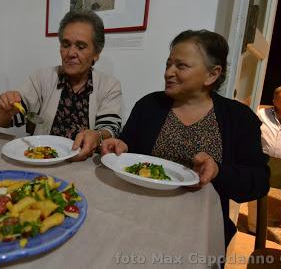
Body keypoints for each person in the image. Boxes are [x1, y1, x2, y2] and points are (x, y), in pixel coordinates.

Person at [101, 29, 270, 248]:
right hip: (141, 216)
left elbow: (258, 182)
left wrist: (218, 171)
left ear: (212, 74)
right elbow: (128, 148)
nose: (169, 72)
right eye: (168, 64)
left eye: (181, 66)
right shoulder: (149, 106)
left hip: (200, 227)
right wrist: (120, 146)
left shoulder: (239, 118)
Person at [0, 10, 122, 161]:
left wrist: (97, 135)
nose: (71, 53)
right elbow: (3, 121)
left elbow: (110, 129)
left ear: (96, 53)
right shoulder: (42, 78)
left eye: (80, 46)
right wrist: (3, 110)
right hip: (42, 160)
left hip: (84, 165)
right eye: (66, 45)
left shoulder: (109, 86)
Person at [248, 85, 281, 248]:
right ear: (274, 101)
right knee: (256, 193)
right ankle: (254, 228)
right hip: (263, 161)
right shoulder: (261, 114)